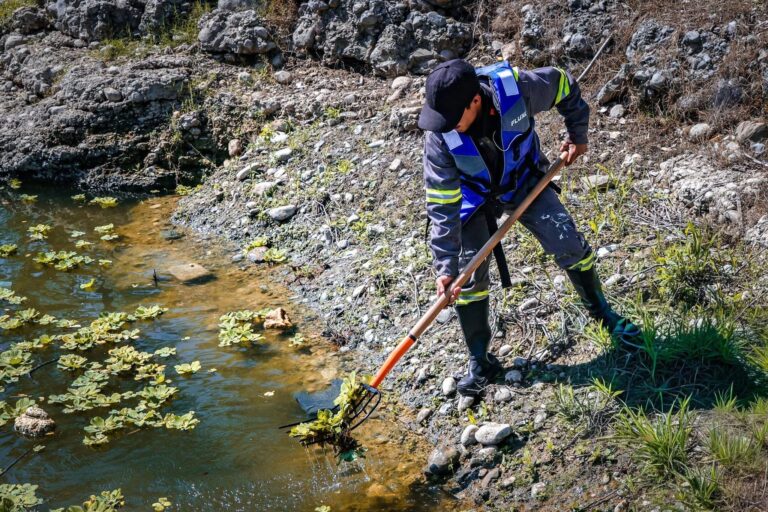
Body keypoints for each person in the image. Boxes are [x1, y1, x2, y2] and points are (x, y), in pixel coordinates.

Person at [418, 59, 640, 398]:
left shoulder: (515, 90)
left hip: (524, 181)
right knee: (468, 274)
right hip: (473, 196)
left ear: (475, 102)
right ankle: (480, 360)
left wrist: (577, 135)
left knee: (568, 242)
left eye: (451, 119)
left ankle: (603, 314)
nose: (444, 127)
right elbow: (442, 207)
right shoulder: (439, 138)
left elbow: (564, 84)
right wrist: (446, 268)